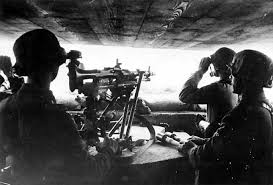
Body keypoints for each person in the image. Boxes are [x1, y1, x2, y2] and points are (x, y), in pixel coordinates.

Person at [0, 29, 120, 185]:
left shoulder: (4, 106)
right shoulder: (56, 117)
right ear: (54, 64)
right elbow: (90, 173)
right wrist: (109, 150)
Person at [179, 50, 273, 185]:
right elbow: (232, 142)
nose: (232, 78)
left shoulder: (241, 114)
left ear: (242, 79)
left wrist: (190, 149)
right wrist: (206, 141)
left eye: (234, 75)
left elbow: (205, 157)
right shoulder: (265, 108)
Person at [179, 47, 238, 137]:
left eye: (213, 65)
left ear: (221, 67)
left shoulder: (217, 88)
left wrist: (201, 70)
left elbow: (184, 95)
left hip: (215, 140)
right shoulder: (234, 87)